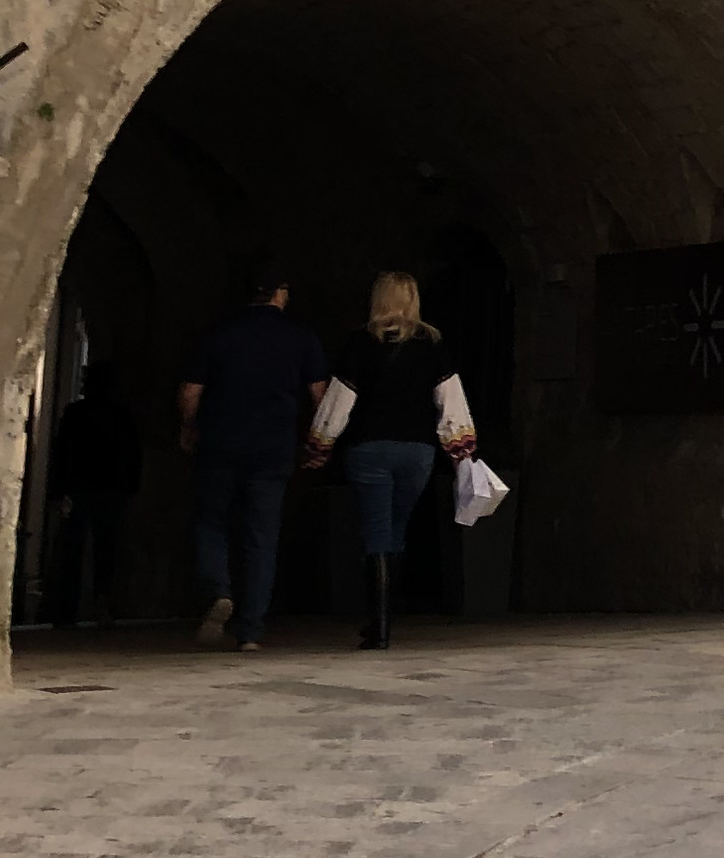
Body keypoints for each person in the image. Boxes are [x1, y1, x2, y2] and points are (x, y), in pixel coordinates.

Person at [177, 268, 329, 651]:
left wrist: (189, 426)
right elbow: (320, 394)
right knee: (262, 537)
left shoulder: (220, 333)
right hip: (273, 448)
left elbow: (191, 390)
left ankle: (218, 589)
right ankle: (251, 630)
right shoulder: (300, 336)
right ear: (281, 292)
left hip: (219, 443)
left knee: (211, 522)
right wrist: (317, 441)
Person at [328, 270, 474, 650]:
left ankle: (379, 626)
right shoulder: (432, 343)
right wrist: (460, 449)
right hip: (417, 451)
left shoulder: (359, 342)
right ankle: (386, 615)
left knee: (376, 531)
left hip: (369, 448)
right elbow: (450, 401)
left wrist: (319, 443)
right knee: (396, 529)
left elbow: (339, 401)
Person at [45, 367, 144, 627]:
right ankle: (103, 601)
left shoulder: (75, 414)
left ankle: (66, 610)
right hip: (111, 491)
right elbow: (132, 455)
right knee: (107, 549)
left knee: (71, 550)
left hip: (78, 490)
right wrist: (130, 488)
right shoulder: (123, 416)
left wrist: (57, 491)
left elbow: (61, 454)